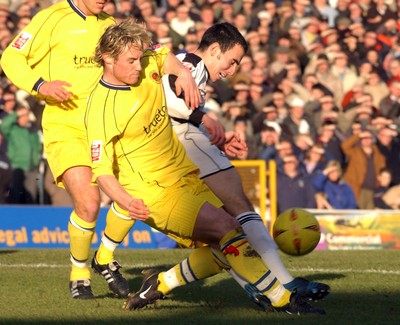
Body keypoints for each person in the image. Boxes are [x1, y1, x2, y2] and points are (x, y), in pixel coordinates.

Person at [85, 19, 325, 315]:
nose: (138, 66)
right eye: (232, 61)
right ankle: (283, 293)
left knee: (230, 234)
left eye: (138, 59)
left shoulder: (160, 62)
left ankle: (161, 283)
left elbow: (159, 52)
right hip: (163, 177)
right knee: (232, 219)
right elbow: (104, 170)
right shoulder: (104, 107)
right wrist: (200, 117)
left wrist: (183, 75)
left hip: (179, 168)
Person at [0, 0, 200, 300]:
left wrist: (182, 72)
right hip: (67, 127)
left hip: (109, 127)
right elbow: (11, 57)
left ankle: (104, 256)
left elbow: (152, 51)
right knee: (89, 203)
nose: (105, 0)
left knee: (135, 191)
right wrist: (40, 85)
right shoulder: (51, 18)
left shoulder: (110, 26)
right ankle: (79, 274)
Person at [0, 106, 42, 204]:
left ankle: (30, 218)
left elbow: (37, 147)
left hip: (31, 169)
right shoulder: (13, 129)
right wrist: (16, 114)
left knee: (30, 197)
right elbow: (3, 125)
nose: (26, 118)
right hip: (17, 168)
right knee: (15, 196)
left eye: (26, 115)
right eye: (23, 115)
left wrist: (36, 162)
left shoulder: (32, 130)